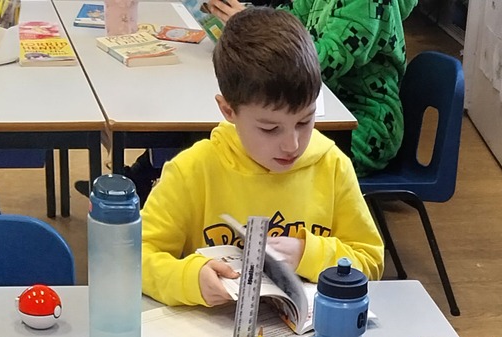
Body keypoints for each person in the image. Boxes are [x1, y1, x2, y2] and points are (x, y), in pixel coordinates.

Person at [141, 6, 383, 310]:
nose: (292, 144)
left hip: (306, 331)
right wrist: (189, 278)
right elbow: (135, 258)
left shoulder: (332, 166)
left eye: (305, 121)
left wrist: (308, 254)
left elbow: (371, 261)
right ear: (228, 111)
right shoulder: (192, 170)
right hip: (213, 331)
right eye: (270, 129)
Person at [203, 0, 417, 173]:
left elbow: (322, 63)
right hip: (313, 109)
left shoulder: (370, 3)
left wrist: (251, 28)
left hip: (366, 124)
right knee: (248, 141)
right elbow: (288, 20)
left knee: (252, 152)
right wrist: (249, 20)